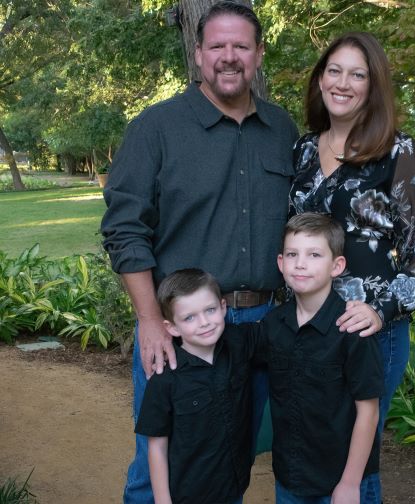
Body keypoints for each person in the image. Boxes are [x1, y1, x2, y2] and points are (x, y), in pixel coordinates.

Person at [100, 2, 299, 502]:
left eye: (241, 46)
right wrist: (149, 319)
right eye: (217, 46)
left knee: (231, 463)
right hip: (180, 331)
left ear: (258, 54)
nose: (228, 57)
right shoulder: (156, 127)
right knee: (158, 463)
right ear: (198, 53)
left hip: (257, 333)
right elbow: (124, 229)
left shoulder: (282, 131)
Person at [288, 32, 415, 502]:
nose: (344, 83)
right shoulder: (304, 151)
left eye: (358, 74)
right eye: (334, 70)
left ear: (373, 87)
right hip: (309, 328)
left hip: (369, 332)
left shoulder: (397, 151)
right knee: (311, 445)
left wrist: (382, 310)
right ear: (320, 78)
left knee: (355, 459)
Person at [258, 213, 383, 504]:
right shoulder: (273, 325)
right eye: (292, 254)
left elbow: (369, 412)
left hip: (339, 482)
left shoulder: (353, 330)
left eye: (314, 254)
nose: (300, 263)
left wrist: (350, 484)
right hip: (289, 478)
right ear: (281, 263)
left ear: (336, 266)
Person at [135, 268, 262, 504]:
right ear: (172, 327)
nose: (204, 323)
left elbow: (287, 325)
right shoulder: (165, 378)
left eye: (210, 310)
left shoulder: (239, 342)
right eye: (189, 317)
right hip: (189, 494)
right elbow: (157, 447)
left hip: (233, 487)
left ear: (223, 307)